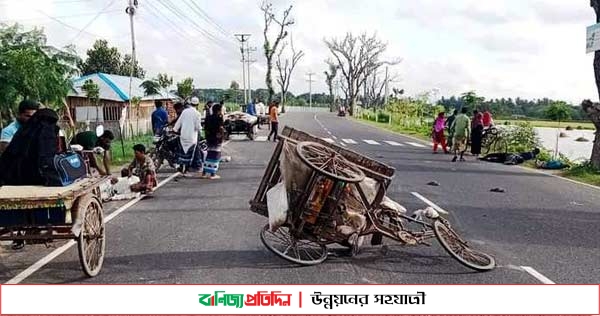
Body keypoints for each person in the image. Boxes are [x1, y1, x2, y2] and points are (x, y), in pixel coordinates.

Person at [173, 99, 202, 172]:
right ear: (197, 104)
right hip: (192, 136)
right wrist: (200, 129)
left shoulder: (184, 111)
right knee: (193, 151)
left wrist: (174, 129)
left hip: (183, 136)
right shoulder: (197, 113)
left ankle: (183, 166)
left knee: (183, 152)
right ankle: (194, 166)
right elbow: (197, 127)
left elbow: (178, 123)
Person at [203, 103, 225, 179]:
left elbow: (205, 128)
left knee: (208, 154)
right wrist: (222, 137)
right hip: (216, 138)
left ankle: (204, 173)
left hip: (209, 138)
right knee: (216, 156)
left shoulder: (208, 117)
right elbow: (221, 128)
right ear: (219, 111)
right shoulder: (219, 117)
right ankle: (213, 174)